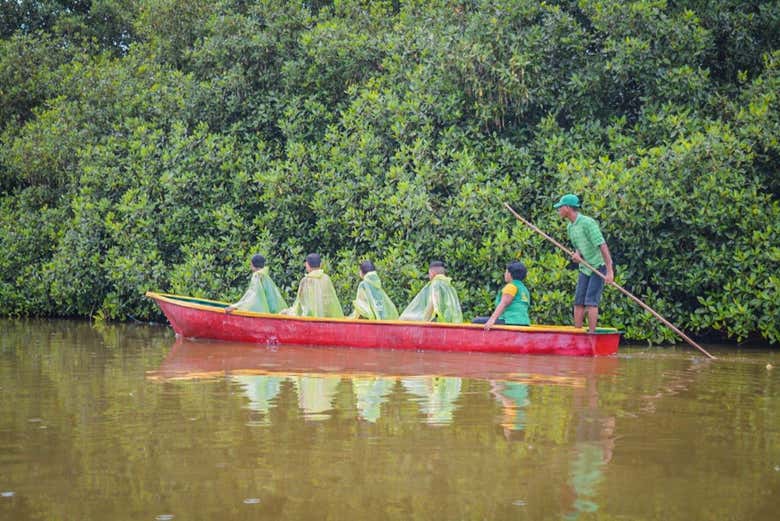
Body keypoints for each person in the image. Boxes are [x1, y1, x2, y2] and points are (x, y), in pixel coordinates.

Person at [554, 193, 614, 333]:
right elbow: (578, 246)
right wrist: (577, 255)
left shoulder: (588, 223)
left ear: (568, 208)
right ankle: (578, 333)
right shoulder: (570, 227)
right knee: (578, 301)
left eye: (560, 208)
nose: (559, 211)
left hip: (598, 266)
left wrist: (609, 271)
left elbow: (602, 246)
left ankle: (592, 334)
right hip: (584, 267)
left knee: (591, 301)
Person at [472, 261, 531, 330]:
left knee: (476, 321)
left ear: (509, 274)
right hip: (524, 322)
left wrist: (492, 319)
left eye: (506, 272)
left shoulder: (511, 287)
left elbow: (503, 304)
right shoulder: (524, 289)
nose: (504, 274)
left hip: (510, 321)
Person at [282, 253, 344, 318]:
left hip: (309, 319)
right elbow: (332, 301)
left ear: (307, 265)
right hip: (327, 317)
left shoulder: (305, 281)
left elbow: (299, 304)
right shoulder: (326, 278)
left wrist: (289, 312)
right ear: (320, 265)